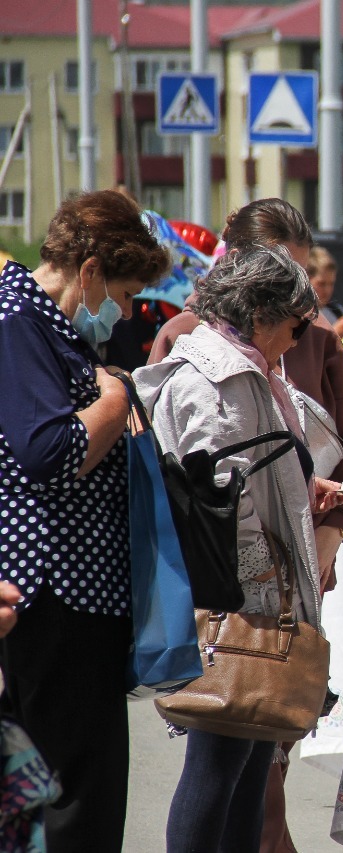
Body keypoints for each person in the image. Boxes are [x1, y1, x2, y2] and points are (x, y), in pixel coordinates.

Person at [149, 200, 343, 853]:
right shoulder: (219, 374)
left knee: (246, 773)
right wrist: (266, 592)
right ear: (262, 313)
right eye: (297, 327)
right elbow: (221, 495)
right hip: (239, 609)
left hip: (252, 602)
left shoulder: (248, 369)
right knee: (219, 770)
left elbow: (250, 467)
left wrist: (306, 487)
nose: (300, 342)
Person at [0, 190, 171, 851]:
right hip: (53, 597)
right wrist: (115, 396)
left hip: (74, 596)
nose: (125, 313)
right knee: (74, 796)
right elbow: (49, 450)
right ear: (92, 269)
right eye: (124, 294)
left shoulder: (47, 326)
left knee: (82, 793)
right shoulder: (19, 320)